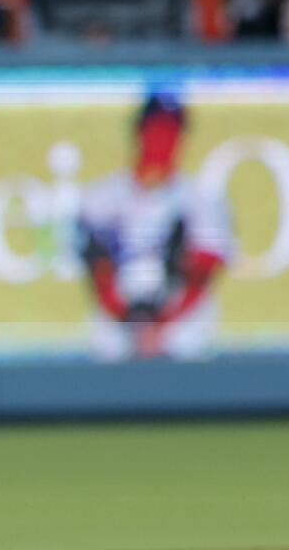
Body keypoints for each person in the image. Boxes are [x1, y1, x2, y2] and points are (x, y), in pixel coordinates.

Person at [76, 95, 235, 362]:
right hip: (116, 337)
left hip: (182, 340)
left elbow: (201, 275)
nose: (162, 139)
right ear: (139, 132)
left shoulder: (201, 202)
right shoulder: (101, 197)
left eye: (170, 131)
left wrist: (160, 325)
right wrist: (134, 322)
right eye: (155, 130)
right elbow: (98, 270)